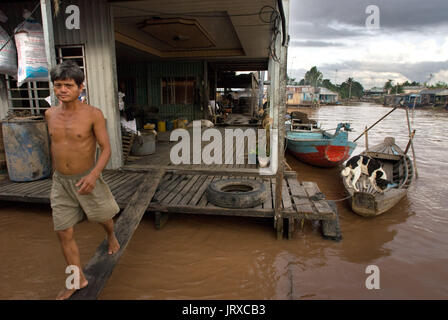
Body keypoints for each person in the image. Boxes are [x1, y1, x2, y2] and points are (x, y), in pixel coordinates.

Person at [45, 60, 120, 300]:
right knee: (63, 232)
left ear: (80, 88)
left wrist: (93, 174)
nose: (62, 90)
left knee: (103, 217)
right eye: (58, 86)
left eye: (68, 85)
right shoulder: (49, 114)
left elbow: (105, 148)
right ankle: (76, 279)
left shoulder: (93, 115)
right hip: (61, 182)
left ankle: (111, 235)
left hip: (87, 178)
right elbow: (54, 144)